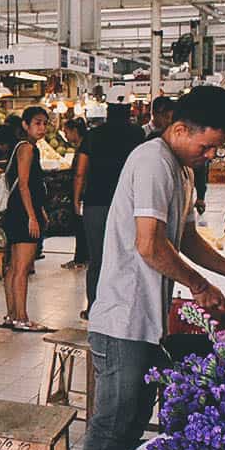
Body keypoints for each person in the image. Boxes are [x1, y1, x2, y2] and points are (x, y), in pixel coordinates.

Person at [81, 85, 225, 450]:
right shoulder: (152, 161)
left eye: (218, 148)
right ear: (179, 129)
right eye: (208, 145)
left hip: (148, 320)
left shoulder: (182, 170)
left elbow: (187, 237)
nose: (212, 155)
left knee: (132, 425)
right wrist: (198, 285)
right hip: (123, 317)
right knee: (111, 425)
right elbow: (150, 245)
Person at [75, 104, 144, 317]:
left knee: (97, 258)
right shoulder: (137, 133)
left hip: (96, 203)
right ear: (128, 110)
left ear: (108, 110)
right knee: (126, 256)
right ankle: (123, 306)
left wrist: (77, 199)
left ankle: (94, 307)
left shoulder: (93, 135)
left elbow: (80, 171)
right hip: (128, 204)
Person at [2, 106, 50, 332]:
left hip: (17, 211)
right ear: (25, 125)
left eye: (44, 123)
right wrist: (32, 216)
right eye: (37, 123)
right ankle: (22, 317)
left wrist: (39, 211)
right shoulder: (28, 149)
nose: (42, 128)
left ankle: (12, 315)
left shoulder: (21, 147)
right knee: (22, 268)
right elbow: (23, 184)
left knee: (13, 267)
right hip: (22, 213)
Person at [63, 118, 89, 271]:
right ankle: (80, 257)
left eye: (67, 132)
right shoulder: (82, 147)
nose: (66, 136)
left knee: (81, 226)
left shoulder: (83, 149)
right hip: (82, 191)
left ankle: (81, 258)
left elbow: (80, 175)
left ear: (74, 131)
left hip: (82, 192)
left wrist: (76, 197)